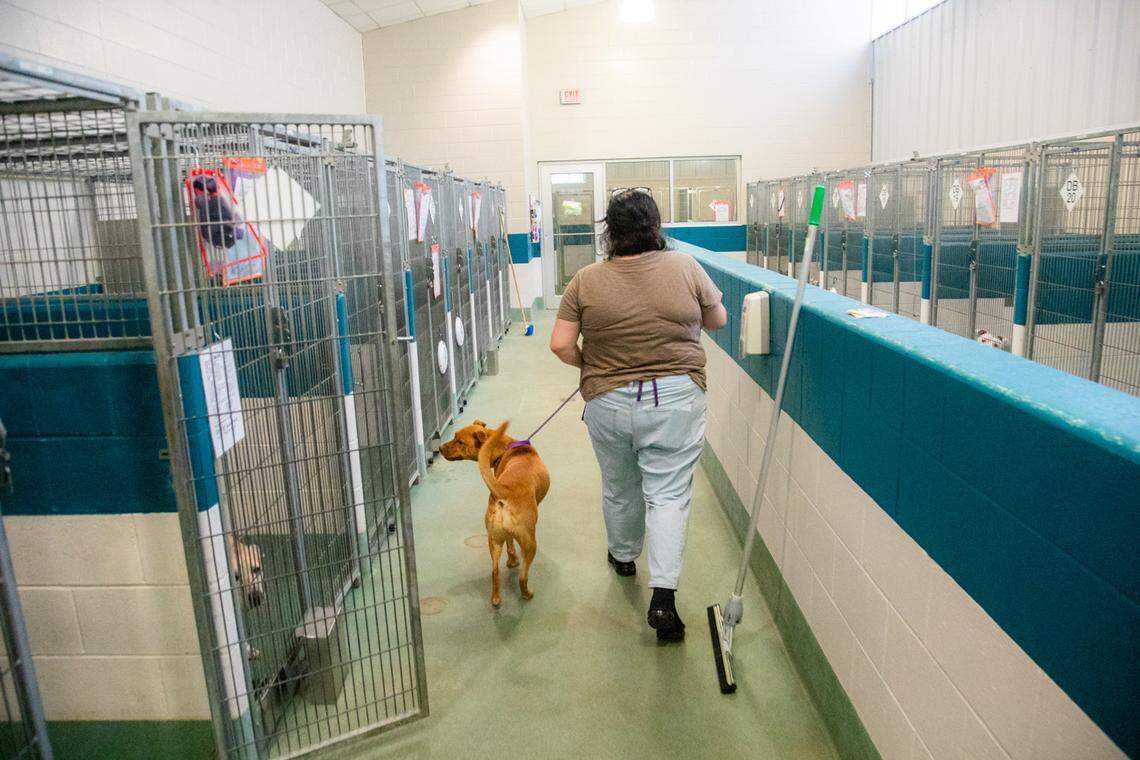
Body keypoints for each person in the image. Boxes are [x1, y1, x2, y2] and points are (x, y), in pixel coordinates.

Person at [549, 190, 727, 642]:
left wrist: (591, 364)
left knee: (619, 483)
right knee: (667, 495)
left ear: (609, 231)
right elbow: (717, 319)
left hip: (607, 399)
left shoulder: (585, 280)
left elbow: (560, 344)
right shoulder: (685, 267)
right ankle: (663, 597)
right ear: (656, 226)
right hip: (675, 399)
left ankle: (624, 555)